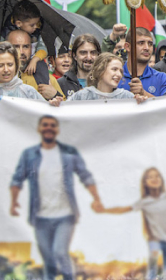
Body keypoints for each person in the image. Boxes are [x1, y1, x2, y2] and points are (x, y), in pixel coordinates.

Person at [10, 115, 104, 280]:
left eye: (53, 125)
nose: (49, 128)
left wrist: (96, 199)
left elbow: (85, 176)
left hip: (65, 216)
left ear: (58, 130)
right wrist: (13, 202)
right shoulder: (29, 155)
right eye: (45, 125)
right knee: (48, 261)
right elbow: (17, 179)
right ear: (39, 128)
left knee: (60, 252)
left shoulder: (69, 152)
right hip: (40, 217)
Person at [101, 168, 166, 280]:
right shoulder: (144, 202)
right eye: (150, 177)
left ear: (161, 180)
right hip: (154, 239)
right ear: (145, 183)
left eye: (157, 176)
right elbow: (124, 209)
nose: (154, 179)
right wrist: (104, 210)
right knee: (153, 263)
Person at [7, 29, 64, 101]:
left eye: (25, 47)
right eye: (16, 47)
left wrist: (55, 94)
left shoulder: (46, 78)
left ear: (31, 49)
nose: (21, 52)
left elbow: (66, 106)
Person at [69, 53, 147, 101]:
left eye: (121, 71)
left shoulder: (127, 97)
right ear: (100, 70)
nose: (119, 74)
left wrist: (140, 103)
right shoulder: (82, 96)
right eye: (114, 69)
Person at [119, 28, 166, 97]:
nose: (147, 48)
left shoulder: (162, 79)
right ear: (127, 47)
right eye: (141, 43)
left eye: (150, 44)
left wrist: (144, 93)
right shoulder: (115, 76)